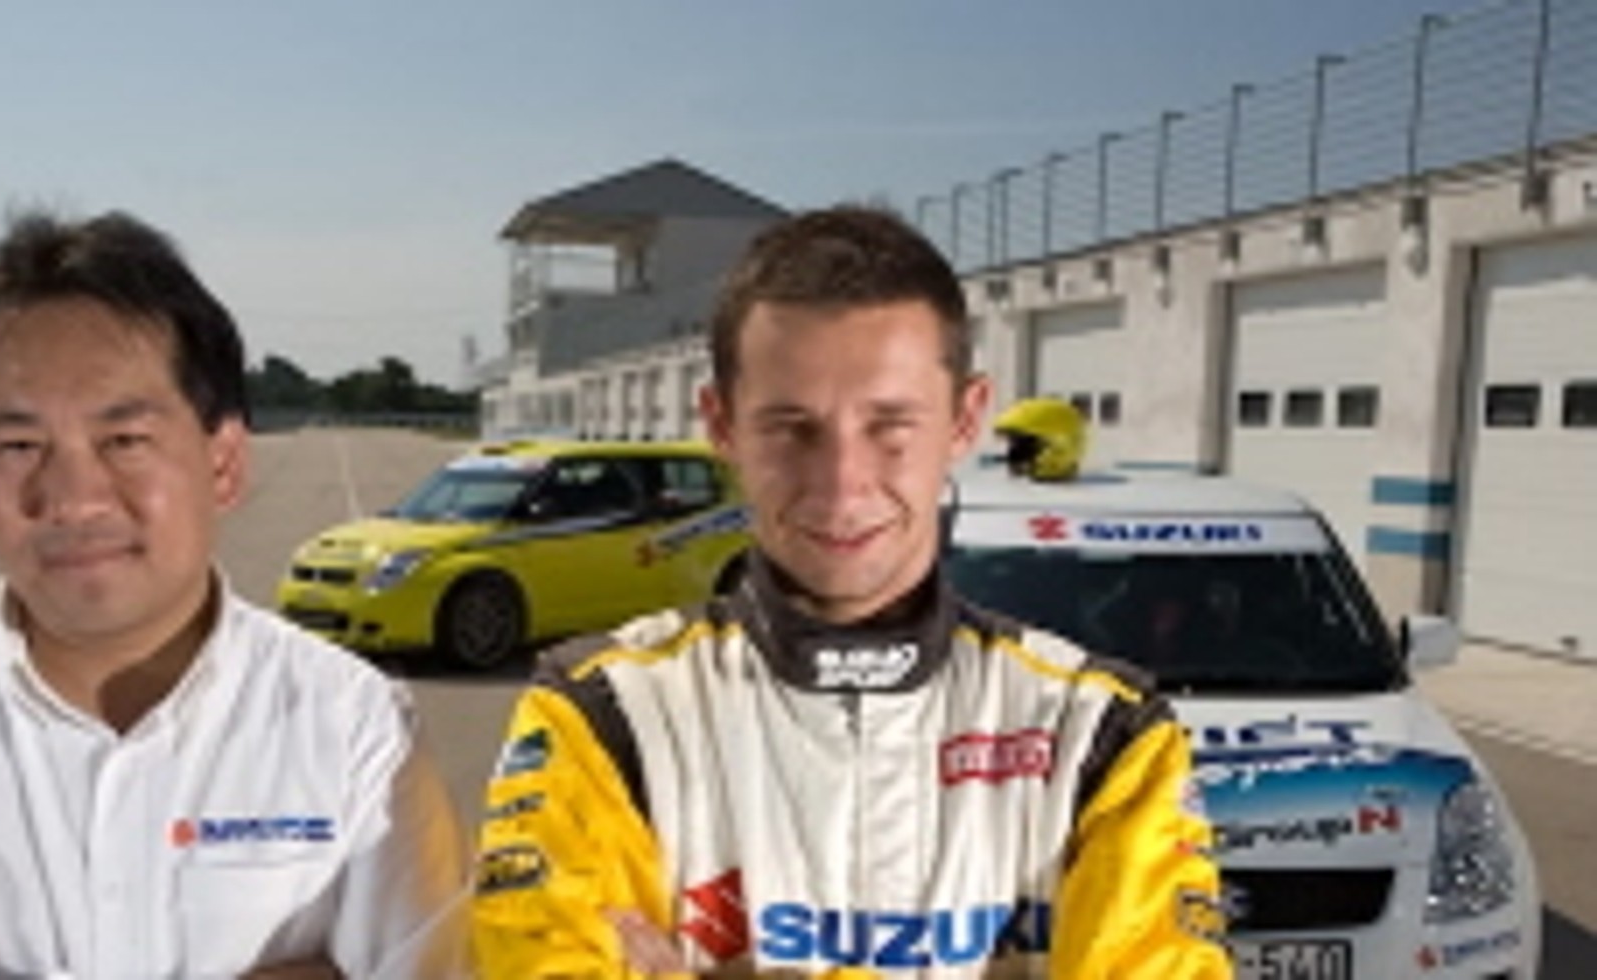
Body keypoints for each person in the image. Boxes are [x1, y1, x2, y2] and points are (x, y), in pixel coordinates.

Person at [471, 206, 1232, 978]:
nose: (841, 486)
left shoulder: (1102, 735)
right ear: (722, 425)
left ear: (965, 419)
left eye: (890, 427)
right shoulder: (605, 715)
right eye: (791, 428)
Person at [0, 211, 466, 978]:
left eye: (125, 441)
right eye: (19, 445)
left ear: (223, 464)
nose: (74, 498)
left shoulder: (355, 727)